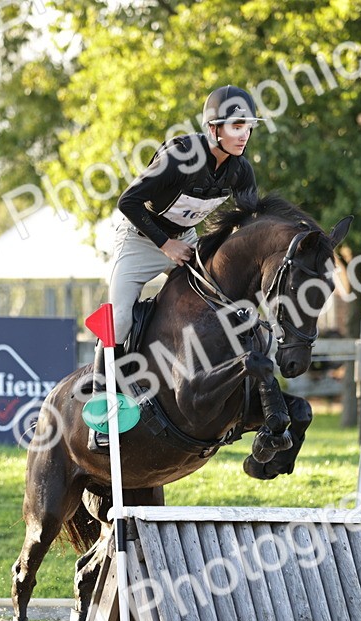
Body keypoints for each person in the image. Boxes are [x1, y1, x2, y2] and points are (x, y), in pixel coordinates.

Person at [86, 86, 263, 450]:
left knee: (221, 307)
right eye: (236, 126)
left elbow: (250, 222)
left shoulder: (240, 170)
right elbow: (128, 201)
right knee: (119, 317)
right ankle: (102, 410)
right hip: (139, 239)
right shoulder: (180, 156)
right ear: (213, 128)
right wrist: (165, 245)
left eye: (248, 126)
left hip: (186, 240)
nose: (244, 134)